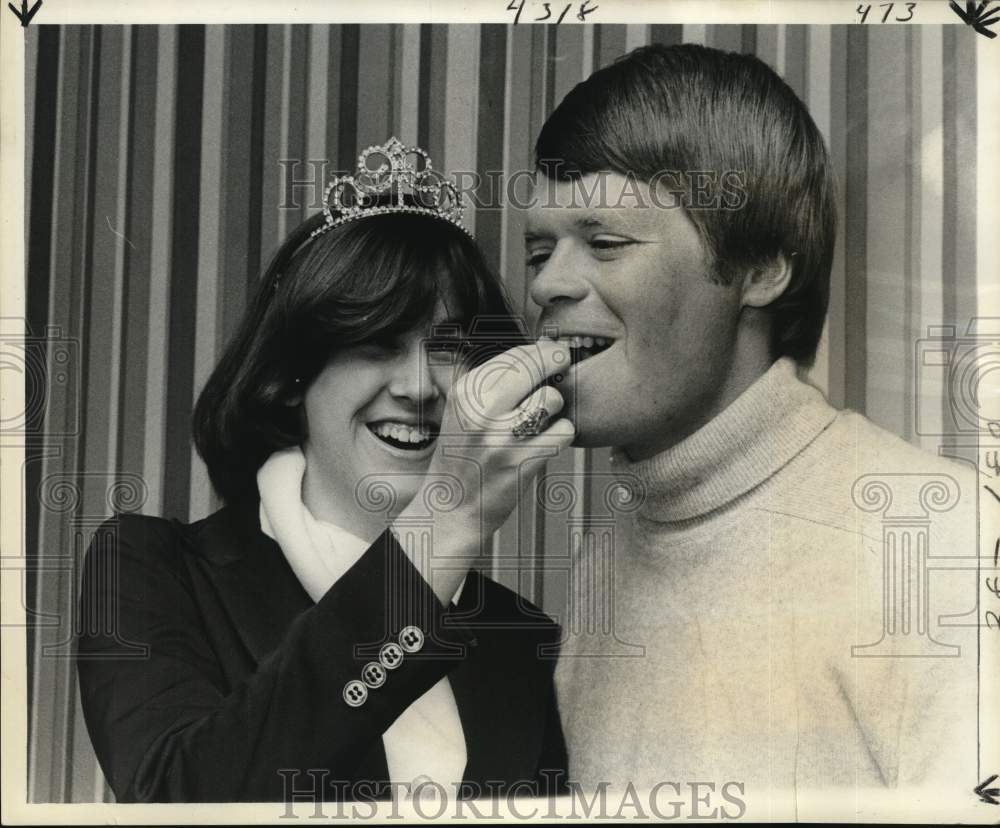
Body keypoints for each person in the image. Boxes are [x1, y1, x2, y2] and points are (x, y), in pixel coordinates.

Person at [525, 45, 979, 807]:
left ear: (765, 268)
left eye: (604, 243)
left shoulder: (941, 544)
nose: (546, 282)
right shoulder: (604, 563)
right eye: (540, 249)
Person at [76, 137, 575, 803]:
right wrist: (441, 530)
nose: (419, 386)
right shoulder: (150, 569)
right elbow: (180, 802)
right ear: (288, 377)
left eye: (450, 348)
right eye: (376, 341)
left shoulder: (527, 640)